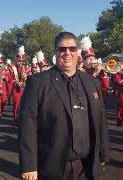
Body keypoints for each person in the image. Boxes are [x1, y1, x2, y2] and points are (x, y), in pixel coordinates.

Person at [19, 32, 108, 180]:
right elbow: (27, 125)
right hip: (53, 165)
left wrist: (103, 152)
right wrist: (29, 165)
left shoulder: (92, 83)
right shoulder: (37, 83)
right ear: (55, 52)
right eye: (62, 49)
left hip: (87, 164)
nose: (67, 53)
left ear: (77, 51)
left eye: (72, 49)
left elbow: (101, 119)